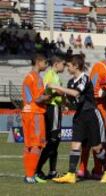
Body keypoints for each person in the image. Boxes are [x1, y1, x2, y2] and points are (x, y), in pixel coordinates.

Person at [50, 55, 106, 184]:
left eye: (69, 65)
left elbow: (76, 93)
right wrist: (63, 101)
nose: (67, 68)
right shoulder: (70, 82)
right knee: (75, 144)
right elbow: (72, 101)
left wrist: (57, 87)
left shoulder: (84, 78)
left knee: (97, 148)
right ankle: (71, 174)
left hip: (91, 115)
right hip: (79, 116)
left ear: (76, 66)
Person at [77, 41, 106, 179]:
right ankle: (88, 168)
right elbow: (93, 89)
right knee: (96, 140)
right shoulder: (100, 66)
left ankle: (101, 168)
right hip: (100, 108)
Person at [21, 54, 50, 184]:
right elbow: (38, 98)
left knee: (28, 145)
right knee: (37, 144)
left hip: (26, 112)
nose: (46, 65)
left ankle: (28, 174)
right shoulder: (37, 78)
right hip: (35, 114)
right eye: (45, 62)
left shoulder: (28, 76)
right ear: (38, 62)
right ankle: (30, 175)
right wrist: (48, 96)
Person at [35, 56, 65, 180]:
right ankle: (37, 169)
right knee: (53, 140)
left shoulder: (56, 76)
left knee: (55, 141)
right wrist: (58, 91)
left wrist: (63, 102)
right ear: (56, 64)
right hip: (52, 109)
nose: (64, 67)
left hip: (57, 108)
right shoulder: (50, 74)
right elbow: (47, 87)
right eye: (63, 64)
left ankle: (52, 171)